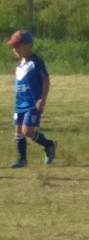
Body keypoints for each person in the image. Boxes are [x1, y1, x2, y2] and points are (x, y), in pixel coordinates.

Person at [7, 30, 57, 168]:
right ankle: (22, 160)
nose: (15, 49)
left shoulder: (36, 62)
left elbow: (46, 80)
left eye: (18, 46)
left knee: (27, 131)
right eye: (13, 46)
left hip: (32, 104)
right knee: (18, 131)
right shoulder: (19, 65)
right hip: (19, 104)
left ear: (28, 45)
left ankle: (48, 145)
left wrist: (42, 99)